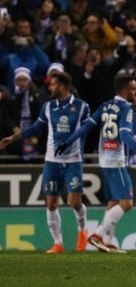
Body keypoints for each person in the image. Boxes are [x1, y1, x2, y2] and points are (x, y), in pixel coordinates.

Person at [56, 74, 136, 253]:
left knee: (114, 201)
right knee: (127, 203)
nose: (135, 91)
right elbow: (124, 135)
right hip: (116, 161)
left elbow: (86, 127)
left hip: (104, 159)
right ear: (124, 89)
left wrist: (68, 141)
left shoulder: (105, 106)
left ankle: (107, 241)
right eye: (133, 88)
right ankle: (98, 235)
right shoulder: (126, 109)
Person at [0, 71, 90, 253]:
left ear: (63, 87)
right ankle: (58, 243)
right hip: (52, 161)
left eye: (53, 84)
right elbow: (35, 127)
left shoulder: (81, 107)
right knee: (51, 203)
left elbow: (87, 130)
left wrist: (76, 146)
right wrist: (13, 138)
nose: (50, 87)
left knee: (74, 201)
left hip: (73, 160)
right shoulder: (48, 107)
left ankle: (82, 231)